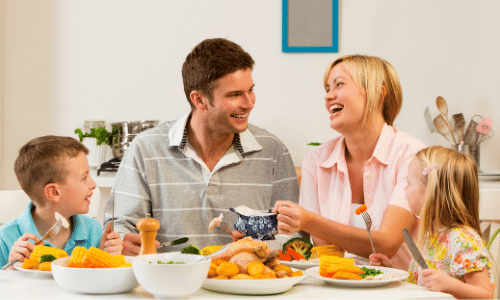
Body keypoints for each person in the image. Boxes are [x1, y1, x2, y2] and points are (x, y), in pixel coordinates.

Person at [104, 38, 299, 256]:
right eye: (235, 94)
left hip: (245, 283)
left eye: (250, 90)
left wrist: (264, 244)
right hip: (169, 283)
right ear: (199, 99)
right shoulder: (145, 149)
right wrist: (123, 242)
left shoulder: (273, 152)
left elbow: (295, 237)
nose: (249, 102)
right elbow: (120, 226)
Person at [273, 55, 426, 270]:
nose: (328, 96)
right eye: (327, 89)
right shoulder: (316, 161)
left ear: (378, 93)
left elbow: (386, 244)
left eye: (339, 84)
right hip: (337, 285)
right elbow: (324, 250)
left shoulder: (411, 157)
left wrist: (308, 220)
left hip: (404, 291)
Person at [370, 146, 495, 299]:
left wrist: (449, 285)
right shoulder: (432, 235)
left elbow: (486, 295)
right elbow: (423, 282)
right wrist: (390, 269)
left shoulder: (462, 240)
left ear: (430, 192)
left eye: (409, 183)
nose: (405, 190)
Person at [0, 136, 123, 269]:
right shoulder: (6, 236)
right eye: (84, 178)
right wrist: (12, 268)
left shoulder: (93, 230)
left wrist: (105, 257)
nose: (93, 184)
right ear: (54, 192)